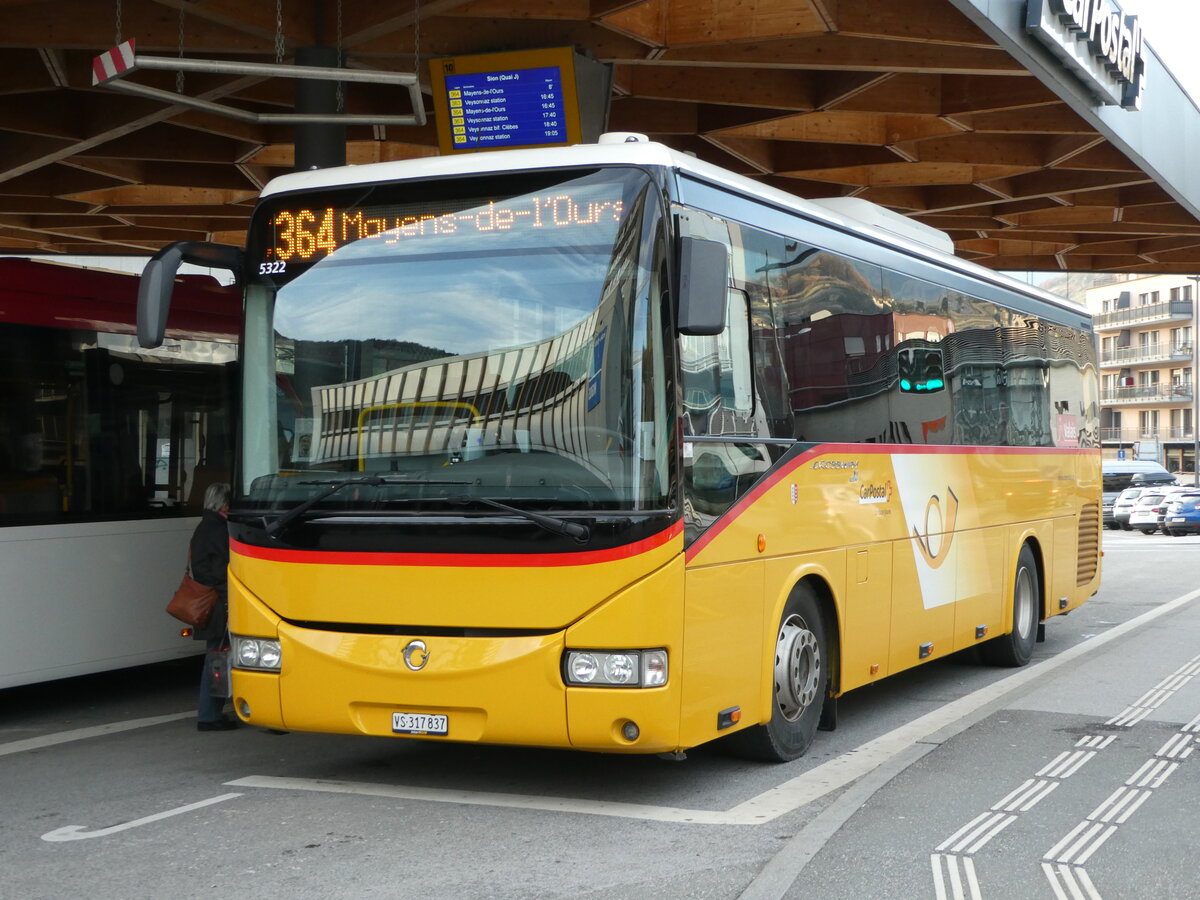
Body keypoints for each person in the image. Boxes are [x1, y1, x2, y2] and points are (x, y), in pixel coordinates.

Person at [190, 481, 237, 731]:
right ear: (224, 503)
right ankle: (209, 716)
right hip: (220, 604)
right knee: (217, 660)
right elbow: (221, 570)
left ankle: (212, 714)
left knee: (218, 658)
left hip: (214, 602)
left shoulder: (205, 526)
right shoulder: (218, 529)